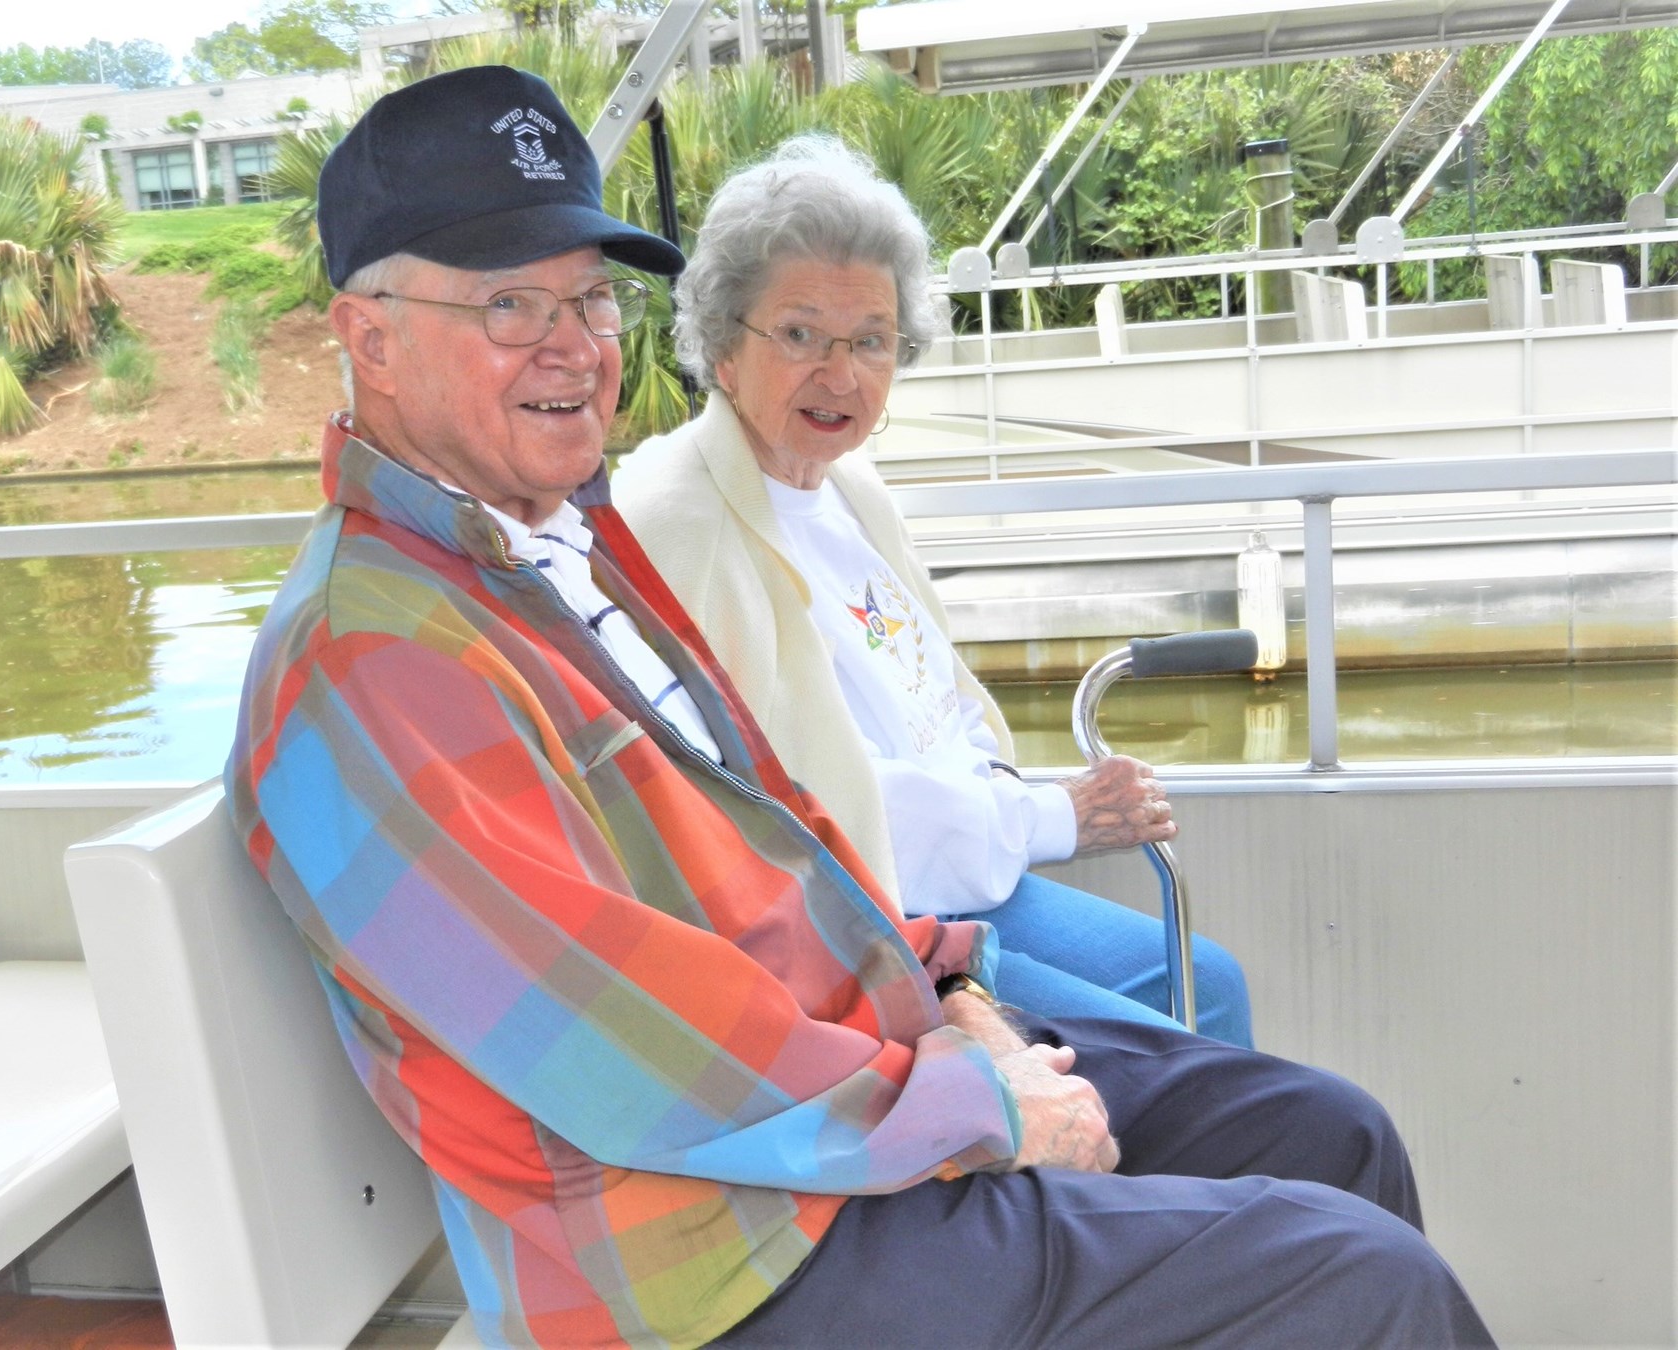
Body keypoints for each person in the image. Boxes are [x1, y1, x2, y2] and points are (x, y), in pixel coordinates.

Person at [225, 64, 1493, 1349]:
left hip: (842, 1100)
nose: (575, 345)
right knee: (1367, 1282)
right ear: (370, 339)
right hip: (720, 1252)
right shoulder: (370, 661)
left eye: (592, 298)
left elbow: (782, 848)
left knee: (1335, 1135)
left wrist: (951, 992)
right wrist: (981, 1105)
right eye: (510, 304)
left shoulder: (563, 551)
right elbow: (621, 1048)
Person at [613, 136, 1254, 1046]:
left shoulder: (851, 491)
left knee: (1208, 983)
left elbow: (945, 702)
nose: (841, 376)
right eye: (799, 335)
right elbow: (791, 806)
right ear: (722, 345)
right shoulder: (673, 521)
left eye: (872, 341)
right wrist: (1053, 814)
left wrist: (1013, 807)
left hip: (962, 873)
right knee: (1166, 1046)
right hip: (860, 928)